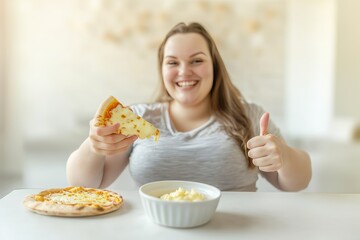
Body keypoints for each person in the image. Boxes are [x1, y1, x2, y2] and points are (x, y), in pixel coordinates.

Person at [66, 22, 311, 191]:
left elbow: (297, 183)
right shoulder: (136, 118)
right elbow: (85, 184)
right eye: (172, 62)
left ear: (215, 66)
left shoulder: (250, 115)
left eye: (196, 60)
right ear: (161, 70)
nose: (184, 72)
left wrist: (285, 156)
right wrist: (93, 145)